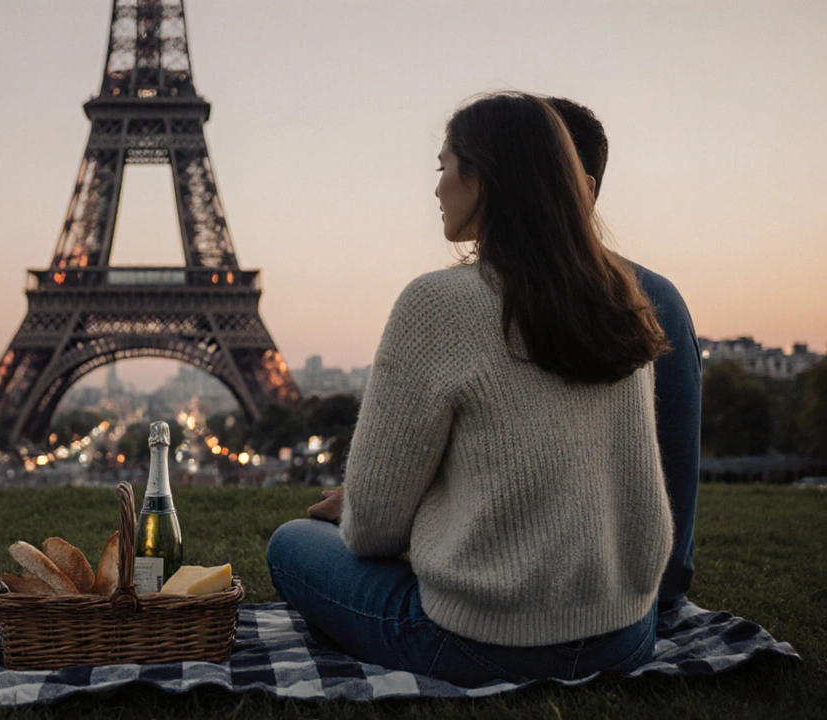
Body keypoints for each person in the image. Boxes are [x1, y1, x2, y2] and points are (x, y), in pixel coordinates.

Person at [265, 91, 674, 687]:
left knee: (291, 544)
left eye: (444, 167)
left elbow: (374, 529)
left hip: (488, 646)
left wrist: (371, 507)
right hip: (627, 634)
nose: (436, 189)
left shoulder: (437, 303)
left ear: (482, 177)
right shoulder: (621, 298)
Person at [545, 97, 701, 609]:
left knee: (296, 545)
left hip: (529, 595)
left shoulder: (483, 302)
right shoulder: (659, 299)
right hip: (645, 597)